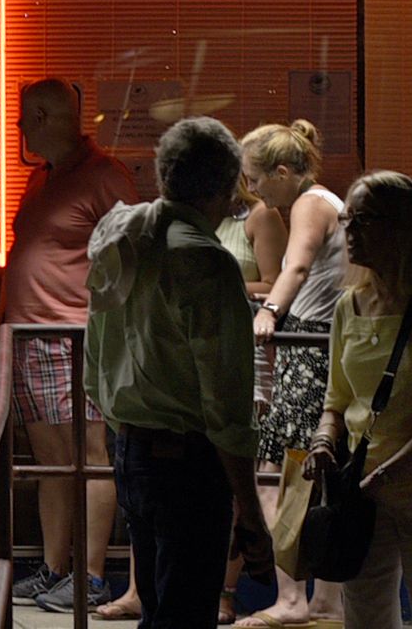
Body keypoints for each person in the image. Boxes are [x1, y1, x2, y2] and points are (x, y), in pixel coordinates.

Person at [85, 117, 274, 629]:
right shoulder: (208, 263)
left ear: (165, 175)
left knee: (158, 605)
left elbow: (95, 361)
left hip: (132, 450)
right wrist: (250, 514)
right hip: (188, 465)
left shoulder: (121, 234)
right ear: (222, 186)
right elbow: (227, 406)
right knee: (185, 613)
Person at [304, 172, 412, 629]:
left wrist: (386, 475)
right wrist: (324, 440)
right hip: (363, 492)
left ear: (399, 226)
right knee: (365, 615)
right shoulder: (348, 305)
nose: (349, 232)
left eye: (362, 221)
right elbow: (336, 400)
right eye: (347, 220)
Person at [2, 77, 136, 614]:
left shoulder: (105, 176)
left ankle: (93, 574)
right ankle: (56, 569)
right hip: (32, 336)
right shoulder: (43, 177)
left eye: (24, 116)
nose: (16, 127)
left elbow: (134, 251)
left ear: (45, 119)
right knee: (50, 461)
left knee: (89, 455)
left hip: (76, 336)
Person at [236, 120, 347, 628]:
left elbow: (297, 268)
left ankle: (291, 597)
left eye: (256, 178)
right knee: (318, 478)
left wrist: (270, 311)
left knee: (274, 477)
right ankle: (323, 599)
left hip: (309, 351)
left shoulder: (308, 204)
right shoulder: (325, 202)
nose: (252, 189)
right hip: (324, 346)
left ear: (283, 172)